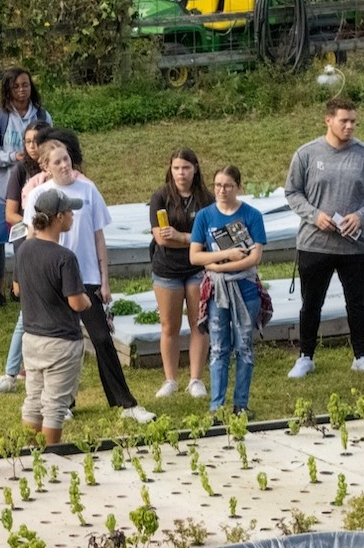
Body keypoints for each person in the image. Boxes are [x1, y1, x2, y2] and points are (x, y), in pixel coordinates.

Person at [19, 135, 155, 423]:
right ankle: (63, 402)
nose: (65, 165)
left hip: (87, 276)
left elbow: (98, 236)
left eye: (67, 159)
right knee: (64, 340)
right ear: (45, 166)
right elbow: (32, 238)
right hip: (55, 279)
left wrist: (105, 280)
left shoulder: (88, 190)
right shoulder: (37, 197)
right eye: (57, 161)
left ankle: (125, 402)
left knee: (102, 339)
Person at [285, 96, 364, 380]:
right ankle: (306, 356)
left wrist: (361, 216)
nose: (350, 126)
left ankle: (362, 356)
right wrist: (314, 215)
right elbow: (292, 192)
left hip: (356, 246)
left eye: (354, 121)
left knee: (357, 304)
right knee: (311, 303)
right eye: (344, 121)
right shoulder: (306, 154)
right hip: (315, 244)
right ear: (328, 120)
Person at [14, 189, 92, 445]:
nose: (72, 215)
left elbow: (17, 289)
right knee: (55, 406)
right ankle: (50, 459)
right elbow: (76, 302)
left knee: (33, 400)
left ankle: (28, 455)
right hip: (61, 342)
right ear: (58, 217)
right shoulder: (64, 258)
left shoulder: (24, 249)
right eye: (69, 212)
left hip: (32, 339)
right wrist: (88, 300)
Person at [190, 165, 266, 416]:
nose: (222, 190)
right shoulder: (205, 216)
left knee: (244, 345)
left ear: (238, 187)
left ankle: (241, 404)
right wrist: (224, 256)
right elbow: (195, 256)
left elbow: (254, 257)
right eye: (218, 186)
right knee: (219, 346)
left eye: (228, 186)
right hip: (216, 290)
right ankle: (217, 406)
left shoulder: (252, 215)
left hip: (245, 286)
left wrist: (219, 265)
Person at [0, 121, 50, 396]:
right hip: (28, 241)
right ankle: (11, 372)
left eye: (38, 141)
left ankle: (29, 369)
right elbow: (10, 214)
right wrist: (37, 224)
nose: (32, 147)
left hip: (55, 246)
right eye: (28, 141)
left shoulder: (59, 168)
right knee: (27, 313)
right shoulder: (20, 170)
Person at [0, 67, 52, 310]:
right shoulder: (0, 117)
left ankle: (21, 285)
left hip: (38, 188)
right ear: (8, 90)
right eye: (16, 86)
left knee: (27, 238)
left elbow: (53, 145)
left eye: (25, 85)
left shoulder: (42, 115)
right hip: (3, 189)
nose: (22, 90)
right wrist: (13, 156)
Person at [149, 148, 213, 399]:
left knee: (199, 324)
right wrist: (192, 240)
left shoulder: (206, 199)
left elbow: (210, 239)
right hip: (167, 269)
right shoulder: (160, 197)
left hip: (198, 268)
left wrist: (181, 237)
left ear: (195, 168)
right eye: (176, 168)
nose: (181, 173)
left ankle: (195, 379)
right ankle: (170, 379)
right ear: (170, 169)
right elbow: (161, 239)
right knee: (169, 326)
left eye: (185, 168)